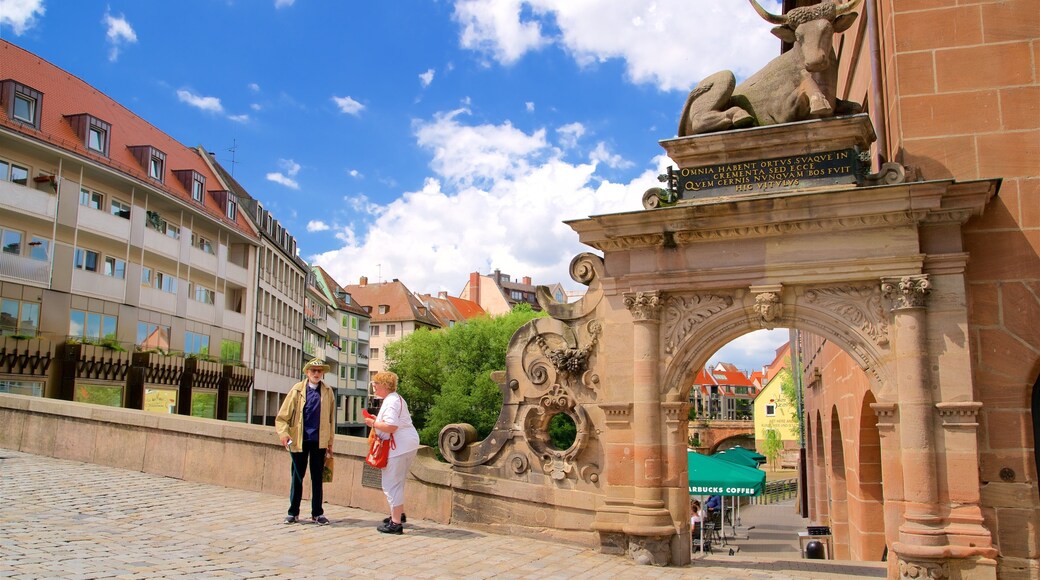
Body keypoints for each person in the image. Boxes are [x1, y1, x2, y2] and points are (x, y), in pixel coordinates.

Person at [275, 357, 336, 525]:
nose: (316, 373)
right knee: (297, 476)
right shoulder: (297, 390)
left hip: (319, 441)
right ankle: (293, 512)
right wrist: (284, 434)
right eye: (313, 371)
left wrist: (330, 443)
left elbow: (331, 420)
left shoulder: (328, 391)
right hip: (299, 440)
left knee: (317, 477)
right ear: (307, 373)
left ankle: (317, 513)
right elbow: (282, 417)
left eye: (319, 371)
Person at [364, 371, 420, 534]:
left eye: (376, 383)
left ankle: (396, 523)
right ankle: (398, 514)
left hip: (398, 446)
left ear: (384, 385)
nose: (374, 386)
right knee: (398, 481)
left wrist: (373, 423)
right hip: (407, 444)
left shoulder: (391, 401)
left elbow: (391, 426)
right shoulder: (396, 399)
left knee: (391, 483)